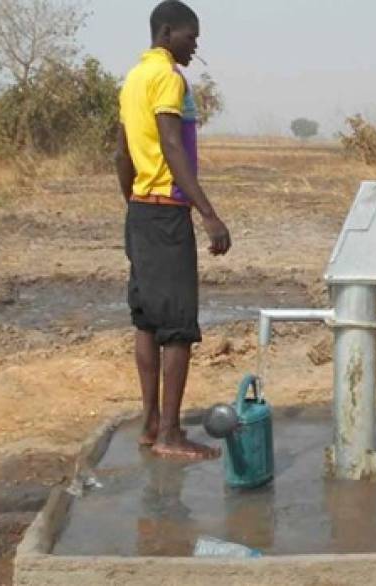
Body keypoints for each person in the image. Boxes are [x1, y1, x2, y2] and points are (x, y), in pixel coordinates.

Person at [115, 0, 232, 460]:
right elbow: (169, 144)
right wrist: (207, 211)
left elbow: (122, 154)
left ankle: (149, 425)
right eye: (191, 36)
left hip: (142, 211)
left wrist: (134, 203)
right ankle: (170, 434)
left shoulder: (133, 78)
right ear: (167, 32)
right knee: (178, 327)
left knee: (146, 320)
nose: (196, 45)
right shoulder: (166, 77)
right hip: (165, 213)